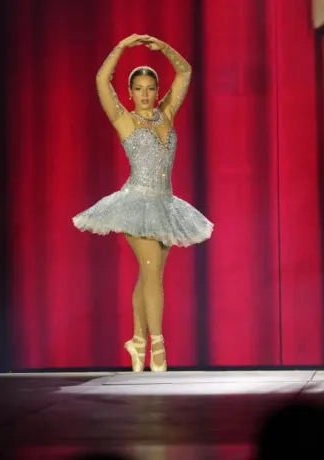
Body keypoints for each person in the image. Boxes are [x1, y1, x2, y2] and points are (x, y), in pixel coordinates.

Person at [72, 34, 213, 372]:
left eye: (150, 88)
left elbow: (185, 72)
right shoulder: (125, 120)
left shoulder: (167, 114)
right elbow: (101, 80)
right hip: (136, 203)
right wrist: (122, 48)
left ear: (157, 90)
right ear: (130, 92)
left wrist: (164, 48)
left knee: (150, 274)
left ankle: (137, 341)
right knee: (152, 273)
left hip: (165, 204)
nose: (145, 94)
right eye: (139, 89)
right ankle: (158, 346)